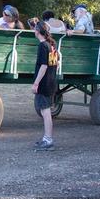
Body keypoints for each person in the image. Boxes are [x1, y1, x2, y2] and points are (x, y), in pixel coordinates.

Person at [32, 21, 58, 151]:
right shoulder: (52, 45)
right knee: (45, 111)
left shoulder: (43, 46)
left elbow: (43, 66)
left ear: (38, 32)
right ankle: (46, 138)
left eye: (35, 29)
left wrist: (36, 83)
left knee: (46, 112)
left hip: (44, 83)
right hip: (51, 82)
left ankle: (48, 140)